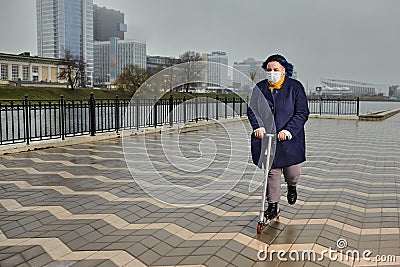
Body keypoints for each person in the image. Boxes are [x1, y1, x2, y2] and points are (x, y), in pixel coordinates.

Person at [247, 54, 309, 221]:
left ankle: (292, 186)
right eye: (269, 70)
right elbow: (253, 110)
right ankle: (273, 206)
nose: (272, 72)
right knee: (272, 173)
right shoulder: (259, 88)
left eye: (275, 69)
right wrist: (257, 126)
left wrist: (289, 130)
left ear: (284, 71)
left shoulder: (295, 87)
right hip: (268, 140)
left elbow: (302, 112)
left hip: (289, 139)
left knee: (293, 173)